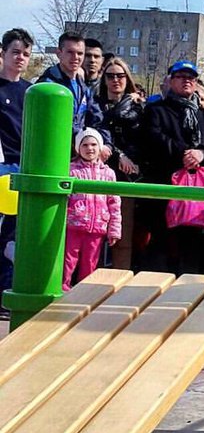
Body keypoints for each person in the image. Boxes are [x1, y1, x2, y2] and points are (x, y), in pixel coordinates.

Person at [139, 60, 204, 274]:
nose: (187, 81)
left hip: (196, 190)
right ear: (170, 80)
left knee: (192, 247)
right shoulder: (156, 110)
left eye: (191, 78)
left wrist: (201, 153)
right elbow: (153, 138)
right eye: (181, 76)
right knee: (160, 243)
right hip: (165, 185)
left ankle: (188, 290)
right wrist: (185, 153)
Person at [96, 57, 143, 270]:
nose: (115, 80)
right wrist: (119, 155)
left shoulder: (137, 106)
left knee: (122, 235)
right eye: (110, 76)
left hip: (127, 175)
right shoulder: (96, 104)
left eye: (120, 75)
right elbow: (96, 132)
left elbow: (142, 139)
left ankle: (119, 278)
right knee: (94, 233)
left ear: (127, 78)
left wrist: (131, 160)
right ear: (104, 79)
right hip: (100, 172)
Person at [0, 28, 34, 306]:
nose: (20, 57)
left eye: (25, 53)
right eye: (15, 52)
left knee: (14, 236)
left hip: (23, 168)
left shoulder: (31, 92)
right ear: (3, 53)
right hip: (2, 167)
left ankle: (7, 294)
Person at [64, 129, 121, 290]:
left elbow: (114, 203)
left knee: (90, 263)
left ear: (100, 147)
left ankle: (84, 292)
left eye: (94, 144)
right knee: (67, 261)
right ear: (78, 148)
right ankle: (62, 289)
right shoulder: (71, 170)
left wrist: (114, 229)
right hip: (74, 225)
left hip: (98, 226)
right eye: (85, 145)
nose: (90, 148)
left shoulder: (109, 173)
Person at [38, 31, 104, 141]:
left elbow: (98, 119)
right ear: (59, 53)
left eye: (80, 53)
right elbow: (55, 123)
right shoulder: (47, 85)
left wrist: (105, 143)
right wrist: (84, 137)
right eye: (70, 52)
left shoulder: (82, 87)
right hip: (54, 146)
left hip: (78, 146)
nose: (75, 57)